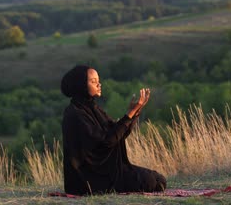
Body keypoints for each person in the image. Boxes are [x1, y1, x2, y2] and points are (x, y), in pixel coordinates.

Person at [60, 65, 166, 195]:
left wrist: (134, 113)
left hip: (107, 171)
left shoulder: (93, 108)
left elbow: (117, 134)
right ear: (81, 85)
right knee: (152, 182)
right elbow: (107, 141)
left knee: (158, 179)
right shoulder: (75, 114)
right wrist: (130, 114)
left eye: (98, 81)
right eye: (93, 81)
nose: (99, 84)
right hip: (89, 181)